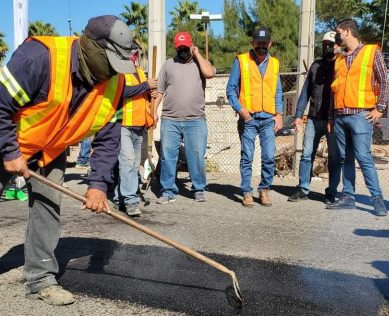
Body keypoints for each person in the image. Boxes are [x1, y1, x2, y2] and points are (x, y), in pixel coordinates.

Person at [0, 16, 145, 307]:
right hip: (3, 137)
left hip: (50, 146)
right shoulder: (40, 58)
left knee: (48, 210)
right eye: (110, 62)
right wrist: (11, 153)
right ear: (92, 48)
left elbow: (108, 138)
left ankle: (41, 278)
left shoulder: (114, 83)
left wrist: (98, 184)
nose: (114, 71)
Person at [325, 19, 389, 216]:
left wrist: (379, 108)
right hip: (340, 115)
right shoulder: (339, 59)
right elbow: (334, 91)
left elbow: (384, 82)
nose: (336, 37)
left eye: (338, 32)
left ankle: (377, 199)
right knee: (346, 158)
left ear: (346, 32)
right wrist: (331, 117)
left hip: (361, 115)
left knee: (363, 157)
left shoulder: (371, 52)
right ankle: (348, 197)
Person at [287, 31, 352, 204]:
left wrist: (341, 53)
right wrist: (298, 115)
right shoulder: (315, 66)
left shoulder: (343, 65)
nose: (327, 47)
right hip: (314, 119)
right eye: (324, 44)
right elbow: (305, 92)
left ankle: (331, 191)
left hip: (333, 120)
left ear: (338, 45)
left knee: (334, 157)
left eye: (331, 44)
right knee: (307, 154)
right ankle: (303, 188)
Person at [151, 32, 216, 204]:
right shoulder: (168, 65)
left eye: (186, 48)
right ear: (175, 48)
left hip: (195, 120)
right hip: (170, 120)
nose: (183, 51)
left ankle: (199, 189)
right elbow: (159, 92)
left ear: (192, 46)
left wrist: (198, 54)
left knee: (196, 156)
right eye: (180, 48)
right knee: (167, 156)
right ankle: (167, 190)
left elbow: (209, 73)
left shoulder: (200, 64)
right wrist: (153, 113)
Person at [226, 27, 284, 207]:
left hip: (268, 118)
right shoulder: (241, 61)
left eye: (264, 43)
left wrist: (280, 114)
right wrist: (240, 109)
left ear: (270, 44)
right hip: (248, 119)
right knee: (247, 157)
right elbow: (230, 89)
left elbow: (278, 91)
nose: (261, 46)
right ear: (252, 43)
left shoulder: (274, 63)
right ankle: (246, 192)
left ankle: (264, 189)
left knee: (268, 156)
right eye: (258, 43)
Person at [112, 58, 157, 217]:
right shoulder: (118, 71)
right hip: (123, 123)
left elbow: (142, 95)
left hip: (139, 125)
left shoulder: (139, 73)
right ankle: (131, 201)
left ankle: (119, 197)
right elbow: (122, 92)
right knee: (128, 161)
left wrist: (151, 92)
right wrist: (145, 86)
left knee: (131, 164)